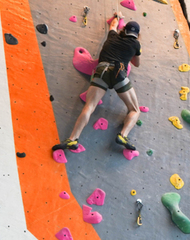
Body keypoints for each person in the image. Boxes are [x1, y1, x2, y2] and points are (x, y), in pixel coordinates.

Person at [53, 14, 142, 152]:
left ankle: (72, 139)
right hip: (119, 73)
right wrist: (133, 52)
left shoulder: (112, 36)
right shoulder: (136, 44)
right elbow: (136, 64)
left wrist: (117, 17)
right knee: (134, 110)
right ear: (137, 35)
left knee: (90, 106)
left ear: (123, 30)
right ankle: (123, 135)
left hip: (102, 70)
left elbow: (112, 25)